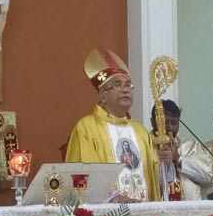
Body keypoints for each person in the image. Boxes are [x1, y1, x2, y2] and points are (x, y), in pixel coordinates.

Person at [65, 47, 174, 202]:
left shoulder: (140, 131)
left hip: (143, 212)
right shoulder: (87, 128)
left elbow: (155, 181)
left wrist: (166, 164)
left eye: (128, 85)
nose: (125, 90)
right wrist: (116, 199)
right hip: (109, 215)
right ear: (103, 96)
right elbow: (84, 177)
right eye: (117, 85)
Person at [150, 100, 213, 200]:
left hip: (189, 208)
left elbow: (207, 177)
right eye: (165, 122)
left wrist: (178, 159)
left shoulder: (191, 147)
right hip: (156, 207)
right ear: (153, 122)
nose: (170, 128)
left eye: (174, 123)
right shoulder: (145, 146)